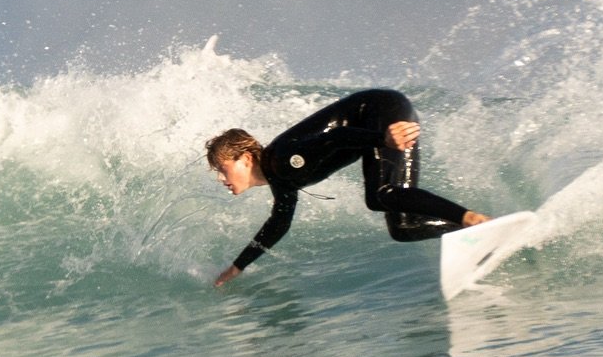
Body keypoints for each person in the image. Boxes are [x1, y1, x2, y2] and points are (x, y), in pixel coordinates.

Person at [206, 88, 489, 287]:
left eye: (222, 169)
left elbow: (337, 137)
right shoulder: (279, 176)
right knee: (403, 228)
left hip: (381, 112)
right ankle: (477, 229)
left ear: (244, 159)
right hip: (380, 125)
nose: (221, 178)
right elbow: (278, 224)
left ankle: (471, 218)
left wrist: (383, 139)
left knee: (380, 196)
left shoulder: (284, 161)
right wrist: (237, 267)